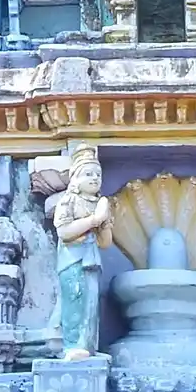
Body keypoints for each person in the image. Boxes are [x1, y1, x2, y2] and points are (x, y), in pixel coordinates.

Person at [46, 146, 112, 359]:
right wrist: (93, 220)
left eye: (98, 175)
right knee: (74, 299)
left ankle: (87, 346)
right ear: (75, 179)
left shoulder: (100, 204)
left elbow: (105, 243)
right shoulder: (68, 201)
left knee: (91, 304)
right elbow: (65, 232)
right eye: (88, 174)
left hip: (91, 259)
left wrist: (103, 223)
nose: (94, 178)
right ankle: (72, 345)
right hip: (72, 260)